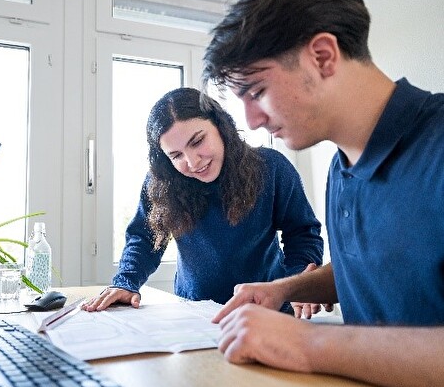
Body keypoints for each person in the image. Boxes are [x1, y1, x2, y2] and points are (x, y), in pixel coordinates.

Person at [201, 0, 444, 387]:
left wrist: (308, 343)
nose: (251, 120)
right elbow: (381, 266)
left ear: (323, 56)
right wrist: (284, 288)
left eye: (257, 91)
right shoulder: (340, 167)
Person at [83, 87, 323, 313]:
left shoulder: (271, 167)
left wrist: (297, 283)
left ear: (221, 126)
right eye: (176, 155)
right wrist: (126, 281)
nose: (193, 162)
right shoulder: (161, 183)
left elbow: (301, 232)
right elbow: (145, 238)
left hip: (269, 312)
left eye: (197, 141)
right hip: (193, 313)